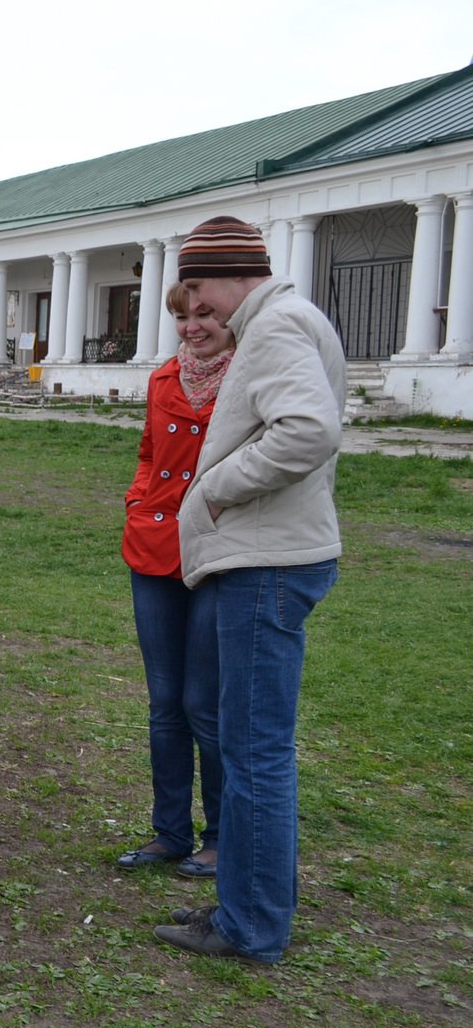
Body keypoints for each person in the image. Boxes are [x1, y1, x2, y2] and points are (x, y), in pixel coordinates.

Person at [156, 216, 346, 964]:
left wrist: (217, 489)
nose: (195, 304)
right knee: (249, 743)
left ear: (232, 274)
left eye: (197, 287)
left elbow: (306, 429)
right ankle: (249, 903)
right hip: (270, 557)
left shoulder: (273, 328)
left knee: (255, 750)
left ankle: (252, 925)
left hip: (266, 562)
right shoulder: (287, 321)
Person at [116, 283, 230, 881]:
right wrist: (138, 499)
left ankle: (219, 838)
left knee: (204, 705)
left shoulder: (249, 377)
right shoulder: (163, 379)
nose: (193, 326)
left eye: (205, 313)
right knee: (165, 705)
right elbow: (148, 451)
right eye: (183, 317)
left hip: (215, 555)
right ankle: (169, 833)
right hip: (152, 551)